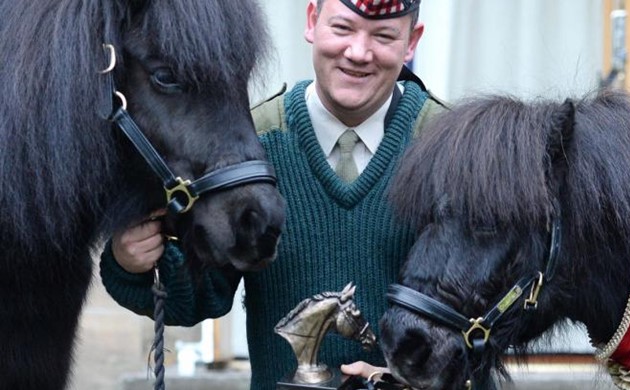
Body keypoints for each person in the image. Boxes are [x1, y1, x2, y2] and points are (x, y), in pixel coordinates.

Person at [100, 0, 471, 388]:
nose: (359, 53)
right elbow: (199, 295)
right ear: (312, 21)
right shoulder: (249, 147)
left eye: (383, 36)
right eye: (343, 28)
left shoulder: (457, 156)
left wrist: (405, 381)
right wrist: (135, 265)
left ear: (411, 42)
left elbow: (489, 327)